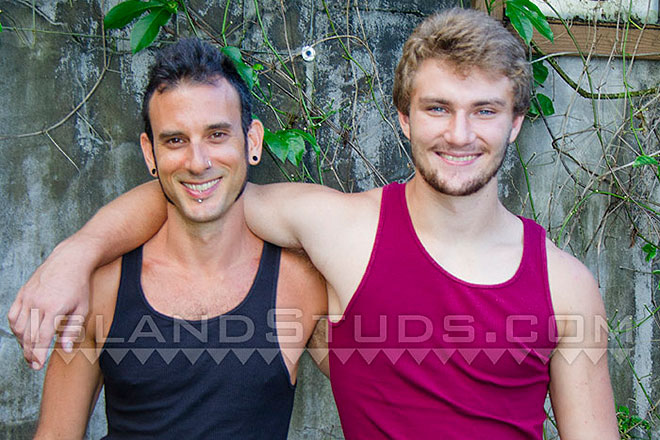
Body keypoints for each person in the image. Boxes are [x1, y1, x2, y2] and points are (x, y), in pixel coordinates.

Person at [10, 8, 618, 439]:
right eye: (438, 107)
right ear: (404, 117)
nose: (459, 134)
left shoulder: (566, 287)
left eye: (484, 110)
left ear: (515, 121)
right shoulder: (340, 234)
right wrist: (76, 254)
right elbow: (202, 189)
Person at [29, 38, 327, 439]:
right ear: (149, 153)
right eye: (175, 140)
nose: (197, 162)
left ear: (252, 141)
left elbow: (386, 397)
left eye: (217, 135)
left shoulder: (302, 285)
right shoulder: (101, 287)